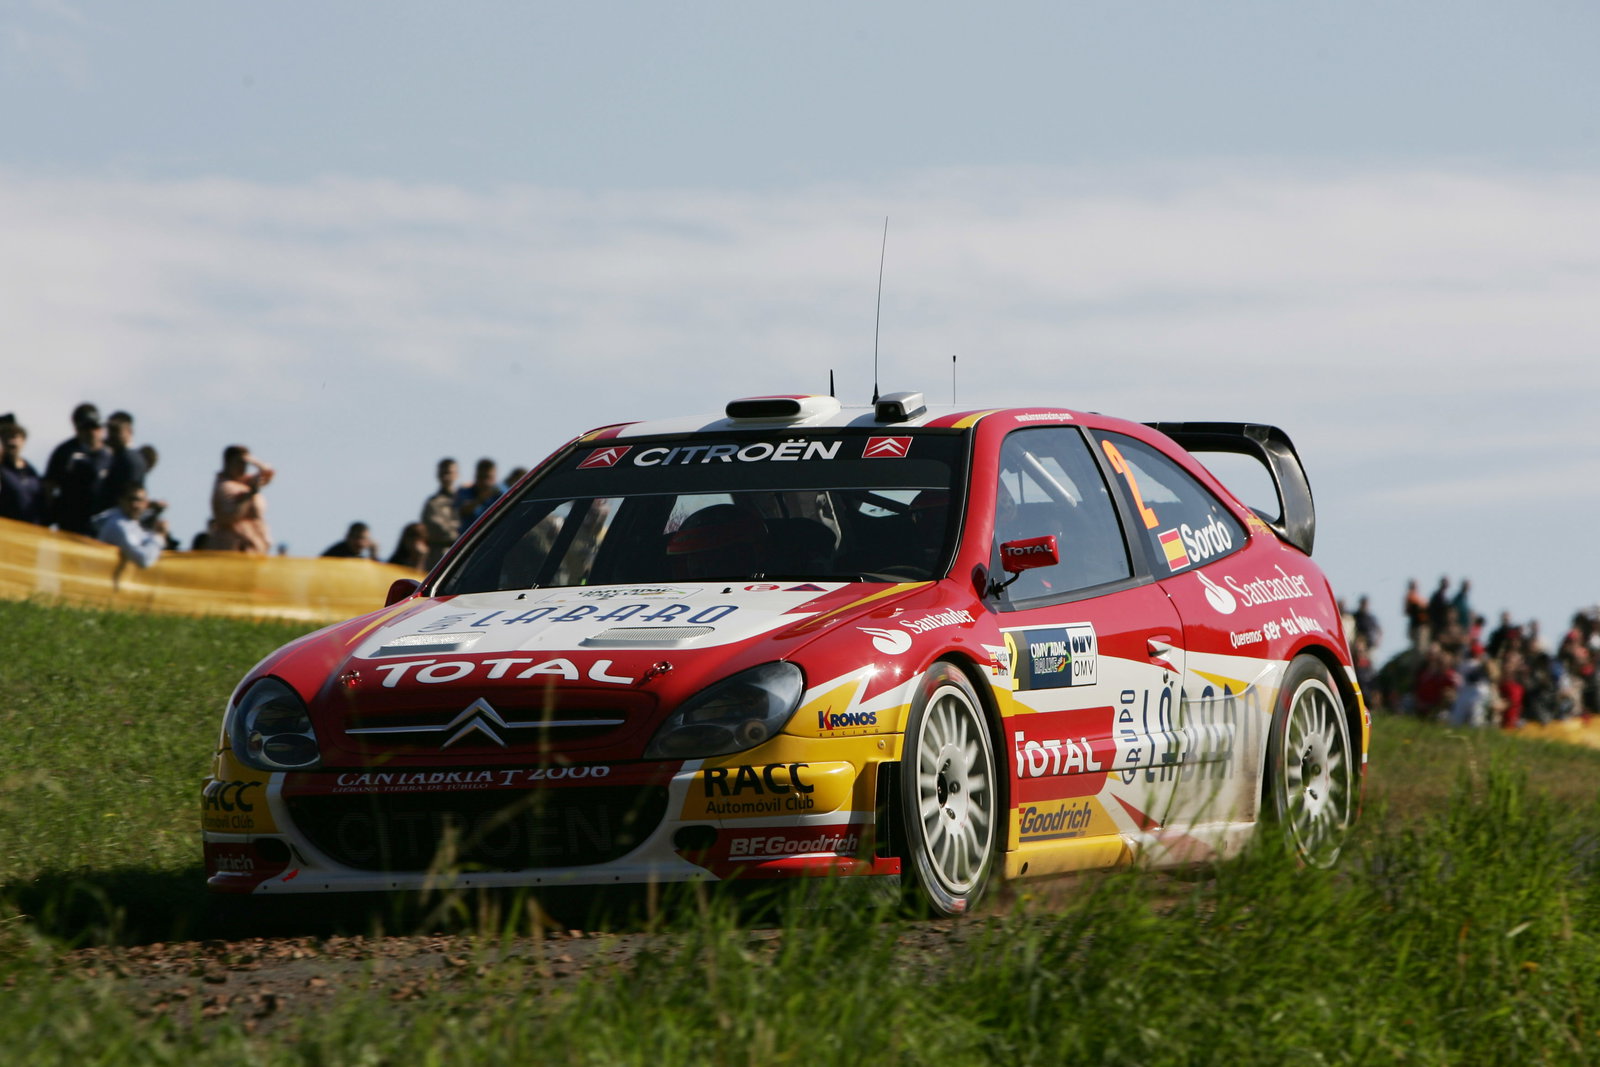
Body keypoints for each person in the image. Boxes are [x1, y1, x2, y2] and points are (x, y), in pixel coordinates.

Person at [42, 402, 111, 536]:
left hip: (101, 527)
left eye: (95, 427)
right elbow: (49, 486)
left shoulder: (110, 453)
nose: (91, 432)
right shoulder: (65, 451)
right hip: (71, 525)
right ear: (77, 428)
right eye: (85, 428)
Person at [208, 445, 275, 553]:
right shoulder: (224, 487)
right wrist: (248, 495)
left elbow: (268, 473)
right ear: (227, 463)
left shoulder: (245, 482)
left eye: (244, 464)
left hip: (255, 546)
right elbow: (230, 516)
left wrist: (254, 461)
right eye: (238, 462)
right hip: (235, 547)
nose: (242, 467)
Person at [93, 484, 168, 570]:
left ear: (146, 504)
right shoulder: (118, 525)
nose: (135, 505)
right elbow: (143, 560)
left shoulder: (131, 521)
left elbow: (143, 539)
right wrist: (158, 537)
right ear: (121, 500)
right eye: (131, 499)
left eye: (140, 501)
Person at [0, 420, 46, 524]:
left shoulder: (32, 472)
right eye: (6, 437)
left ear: (23, 440)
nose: (11, 441)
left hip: (33, 530)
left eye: (15, 436)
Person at [421, 457, 461, 568]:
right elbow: (437, 530)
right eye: (443, 473)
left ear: (456, 474)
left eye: (449, 473)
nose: (446, 477)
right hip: (440, 556)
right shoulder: (433, 503)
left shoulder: (465, 499)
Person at [455, 458, 503, 526]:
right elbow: (462, 511)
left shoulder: (502, 494)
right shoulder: (464, 492)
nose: (485, 482)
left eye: (488, 477)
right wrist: (481, 499)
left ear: (495, 477)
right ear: (476, 476)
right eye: (481, 477)